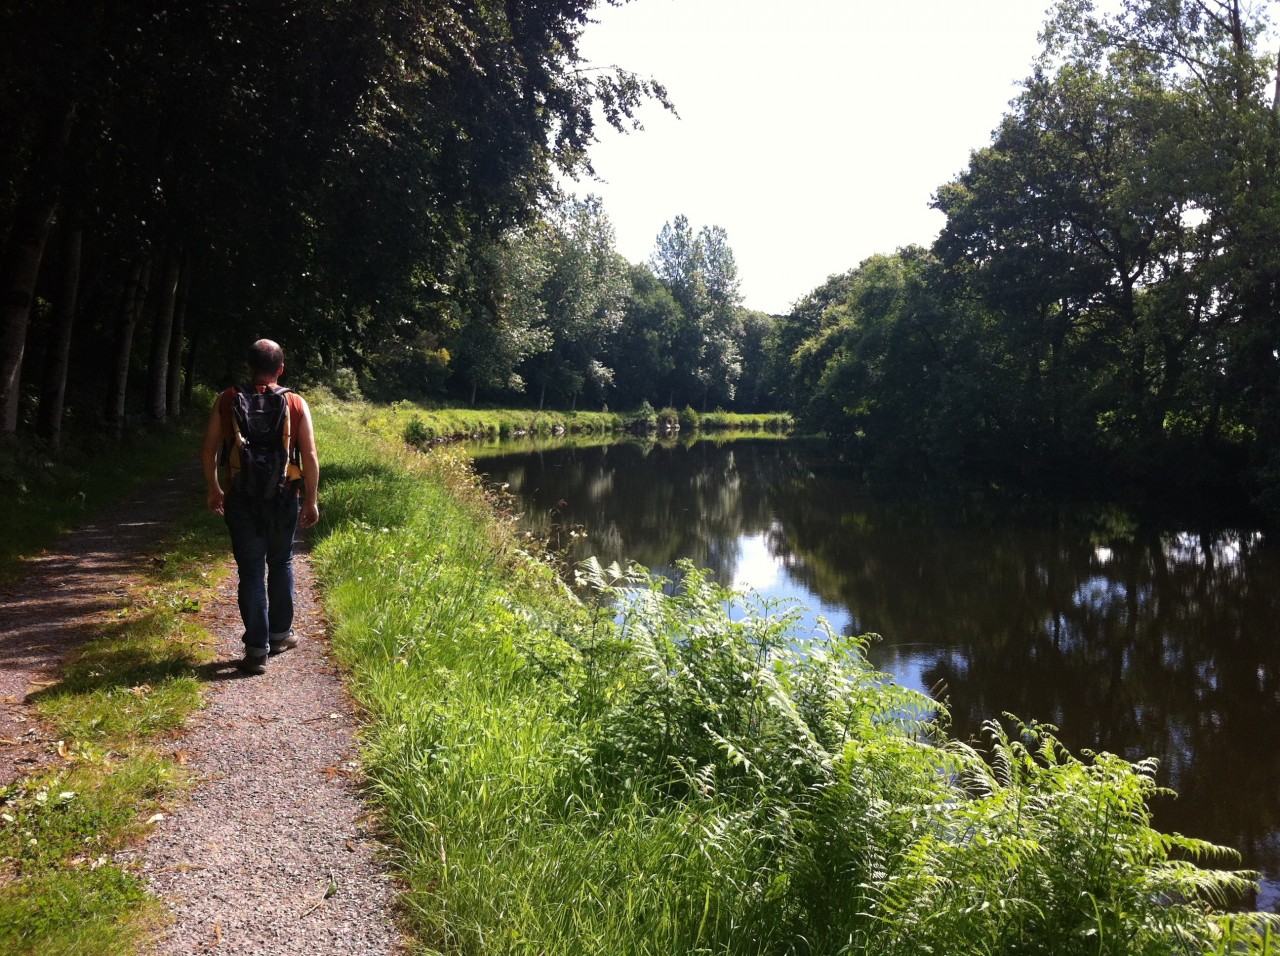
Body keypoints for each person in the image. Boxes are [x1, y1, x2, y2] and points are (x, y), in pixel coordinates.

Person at [202, 339, 320, 674]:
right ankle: (281, 634)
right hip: (284, 496)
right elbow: (309, 457)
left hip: (241, 496)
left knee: (251, 570)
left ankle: (256, 651)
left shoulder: (227, 399)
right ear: (280, 368)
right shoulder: (295, 402)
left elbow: (209, 450)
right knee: (280, 562)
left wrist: (215, 488)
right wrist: (310, 500)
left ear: (250, 366)